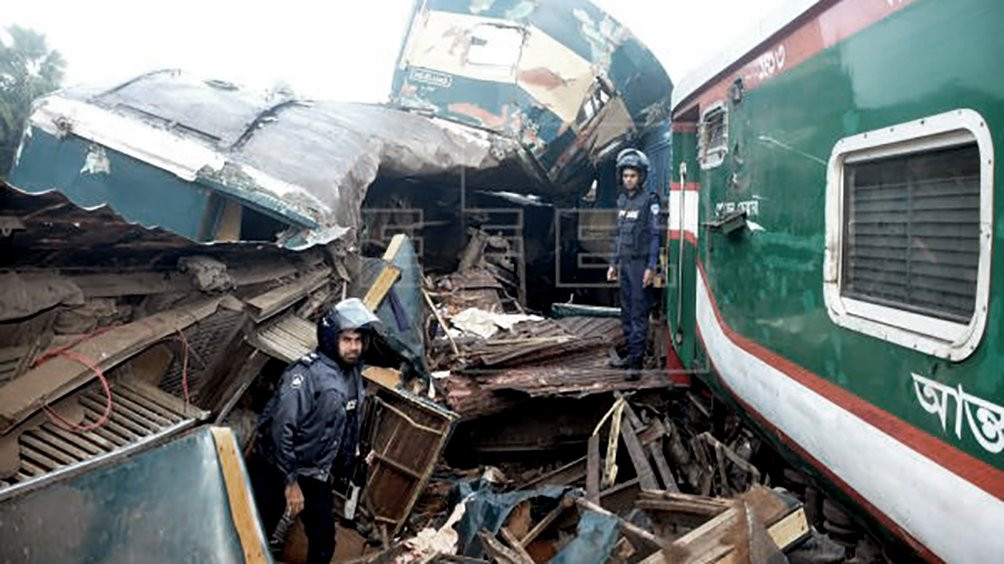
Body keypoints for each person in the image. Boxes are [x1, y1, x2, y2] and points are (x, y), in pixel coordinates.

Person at [247, 297, 381, 563]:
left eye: (358, 340)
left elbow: (347, 418)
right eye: (347, 340)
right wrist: (290, 482)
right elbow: (279, 429)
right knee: (256, 536)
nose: (354, 347)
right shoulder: (306, 375)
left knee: (323, 541)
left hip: (315, 472)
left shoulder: (352, 373)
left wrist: (353, 452)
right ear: (332, 339)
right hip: (277, 467)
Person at [606, 148, 660, 380]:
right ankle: (630, 355)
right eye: (626, 176)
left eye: (633, 176)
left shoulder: (650, 200)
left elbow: (656, 235)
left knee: (639, 313)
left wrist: (651, 267)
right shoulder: (622, 200)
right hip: (625, 264)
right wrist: (612, 264)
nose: (629, 179)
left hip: (640, 265)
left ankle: (636, 364)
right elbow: (619, 235)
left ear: (641, 177)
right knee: (626, 312)